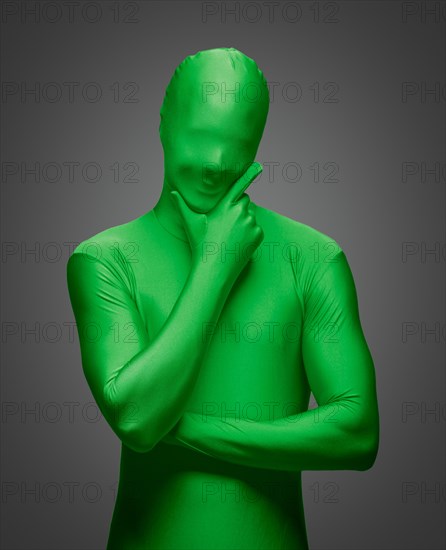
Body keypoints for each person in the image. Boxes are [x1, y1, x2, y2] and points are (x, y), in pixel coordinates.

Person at [66, 47, 380, 550]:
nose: (216, 163)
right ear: (164, 126)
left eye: (236, 144)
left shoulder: (313, 257)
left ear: (257, 146)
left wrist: (192, 430)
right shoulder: (106, 259)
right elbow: (137, 420)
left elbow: (358, 433)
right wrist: (214, 266)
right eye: (200, 138)